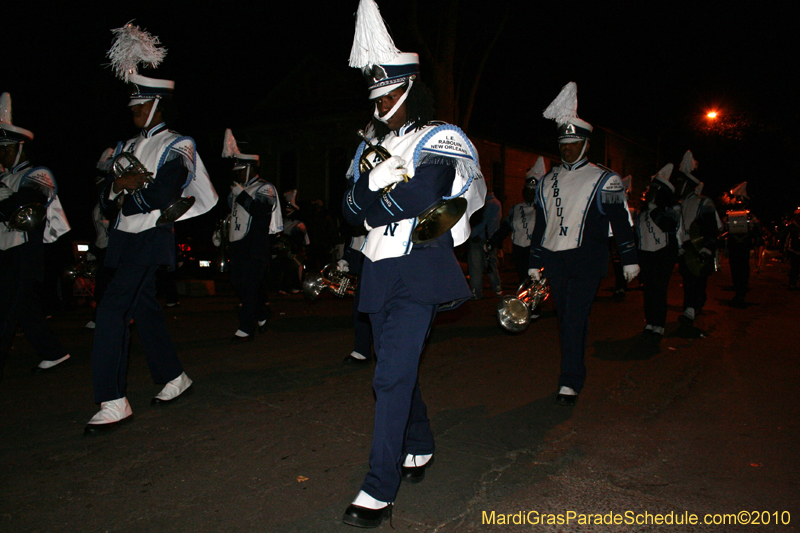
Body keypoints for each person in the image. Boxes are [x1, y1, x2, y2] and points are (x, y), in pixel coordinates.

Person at [340, 0, 486, 526]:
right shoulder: (367, 148)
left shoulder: (441, 137)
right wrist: (373, 187)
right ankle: (418, 440)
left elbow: (421, 197)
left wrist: (373, 195)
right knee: (394, 368)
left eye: (389, 95)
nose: (381, 106)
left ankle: (380, 487)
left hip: (420, 268)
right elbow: (348, 211)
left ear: (409, 90)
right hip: (379, 270)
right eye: (375, 97)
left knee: (390, 376)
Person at [86, 23, 217, 433]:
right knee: (142, 308)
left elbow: (163, 193)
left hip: (151, 235)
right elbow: (107, 197)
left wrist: (127, 191)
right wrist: (119, 190)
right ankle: (175, 377)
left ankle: (112, 398)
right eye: (133, 105)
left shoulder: (180, 143)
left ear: (158, 104)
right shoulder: (124, 146)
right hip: (125, 237)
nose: (134, 111)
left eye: (140, 105)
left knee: (110, 310)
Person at [528, 82, 639, 406]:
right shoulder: (547, 182)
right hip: (556, 260)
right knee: (566, 318)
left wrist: (629, 258)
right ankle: (572, 369)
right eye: (563, 143)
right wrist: (534, 263)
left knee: (574, 318)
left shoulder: (605, 179)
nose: (567, 148)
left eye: (574, 143)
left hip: (588, 258)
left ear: (586, 144)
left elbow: (619, 221)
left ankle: (571, 380)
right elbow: (542, 226)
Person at [0, 92, 71, 381]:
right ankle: (53, 352)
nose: (1, 155)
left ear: (19, 148)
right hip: (6, 251)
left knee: (4, 312)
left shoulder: (39, 174)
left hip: (22, 252)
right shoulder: (6, 179)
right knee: (24, 308)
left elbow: (23, 205)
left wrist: (5, 197)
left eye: (5, 149)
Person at [221, 129, 282, 342]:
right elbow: (234, 215)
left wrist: (243, 196)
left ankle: (246, 328)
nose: (237, 175)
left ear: (249, 169)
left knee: (248, 287)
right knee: (240, 284)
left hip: (255, 246)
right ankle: (262, 314)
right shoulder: (240, 189)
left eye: (240, 171)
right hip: (238, 244)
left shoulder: (265, 188)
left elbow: (261, 213)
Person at [675, 150, 722, 325]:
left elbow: (711, 228)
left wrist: (706, 249)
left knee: (696, 281)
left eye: (680, 182)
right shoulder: (678, 204)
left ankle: (691, 308)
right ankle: (692, 307)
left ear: (688, 184)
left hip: (698, 249)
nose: (677, 184)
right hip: (685, 249)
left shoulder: (704, 202)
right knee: (689, 280)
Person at [635, 163, 681, 340]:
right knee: (648, 289)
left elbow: (670, 225)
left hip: (663, 253)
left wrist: (654, 208)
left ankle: (659, 324)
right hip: (646, 254)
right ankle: (650, 321)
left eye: (653, 188)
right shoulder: (643, 212)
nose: (648, 191)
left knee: (659, 289)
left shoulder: (671, 208)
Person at [488, 157, 545, 284]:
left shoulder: (543, 210)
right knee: (523, 280)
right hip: (519, 250)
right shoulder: (516, 209)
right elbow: (506, 227)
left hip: (535, 251)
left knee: (535, 282)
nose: (530, 193)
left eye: (533, 191)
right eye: (528, 190)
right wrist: (492, 242)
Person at [339, 228, 373, 366]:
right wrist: (346, 259)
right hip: (367, 260)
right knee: (360, 306)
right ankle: (362, 349)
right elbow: (357, 240)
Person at [723, 182, 760, 307]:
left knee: (737, 268)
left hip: (735, 246)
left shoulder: (730, 215)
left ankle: (739, 292)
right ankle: (740, 292)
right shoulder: (750, 216)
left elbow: (723, 228)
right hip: (743, 246)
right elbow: (756, 229)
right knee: (742, 269)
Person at [467, 190, 502, 299]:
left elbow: (491, 224)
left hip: (480, 239)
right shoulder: (492, 203)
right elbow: (494, 224)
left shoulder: (488, 203)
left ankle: (478, 291)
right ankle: (495, 287)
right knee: (488, 264)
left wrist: (476, 235)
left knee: (479, 266)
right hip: (484, 239)